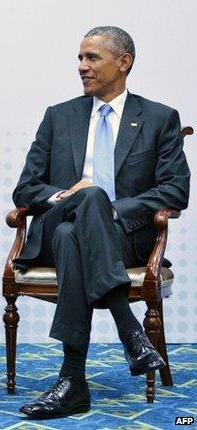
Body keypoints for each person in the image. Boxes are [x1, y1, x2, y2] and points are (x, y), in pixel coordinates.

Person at [12, 27, 190, 419]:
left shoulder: (159, 118)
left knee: (71, 233)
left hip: (124, 236)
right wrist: (67, 195)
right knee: (83, 202)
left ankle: (72, 380)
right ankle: (131, 334)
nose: (82, 66)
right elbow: (25, 189)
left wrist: (113, 209)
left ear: (123, 62)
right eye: (80, 58)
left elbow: (176, 192)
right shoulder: (59, 116)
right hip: (65, 219)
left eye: (92, 58)